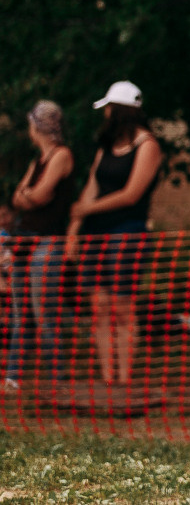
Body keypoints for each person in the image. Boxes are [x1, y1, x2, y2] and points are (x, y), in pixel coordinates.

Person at [67, 80, 162, 387]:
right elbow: (91, 187)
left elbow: (131, 194)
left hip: (127, 233)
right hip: (95, 234)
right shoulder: (106, 147)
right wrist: (74, 229)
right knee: (99, 307)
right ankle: (108, 379)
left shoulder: (148, 146)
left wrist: (87, 209)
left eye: (108, 108)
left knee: (122, 306)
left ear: (119, 111)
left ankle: (124, 378)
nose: (105, 114)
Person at [4, 101, 75, 390]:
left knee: (44, 313)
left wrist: (27, 194)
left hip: (47, 242)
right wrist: (28, 195)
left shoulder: (61, 155)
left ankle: (57, 379)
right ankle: (13, 377)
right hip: (24, 241)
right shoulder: (38, 161)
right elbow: (18, 197)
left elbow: (40, 195)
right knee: (21, 314)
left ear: (37, 127)